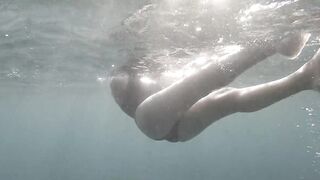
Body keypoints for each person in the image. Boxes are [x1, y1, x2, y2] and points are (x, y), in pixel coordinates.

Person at [110, 31, 319, 142]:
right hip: (151, 119)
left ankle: (306, 77)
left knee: (227, 98)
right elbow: (125, 88)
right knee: (210, 80)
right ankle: (274, 43)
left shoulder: (138, 67)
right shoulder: (121, 78)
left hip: (175, 132)